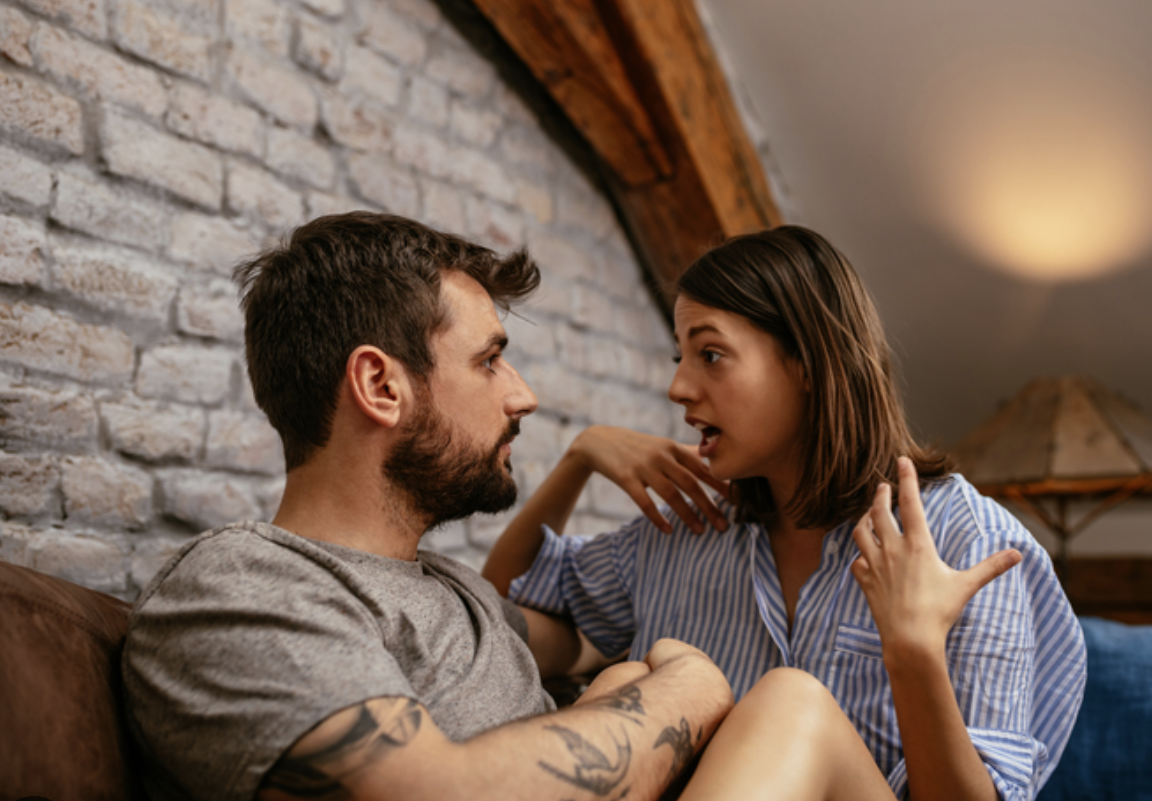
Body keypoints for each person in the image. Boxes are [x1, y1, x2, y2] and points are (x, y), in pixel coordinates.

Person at [123, 213, 888, 801]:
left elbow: (559, 629)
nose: (523, 394)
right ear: (381, 386)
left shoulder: (452, 592)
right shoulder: (243, 584)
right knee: (770, 698)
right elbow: (425, 793)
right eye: (489, 360)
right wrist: (691, 686)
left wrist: (631, 683)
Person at [484, 226, 1088, 801]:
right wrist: (580, 458)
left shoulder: (964, 540)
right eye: (680, 359)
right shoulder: (688, 529)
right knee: (623, 684)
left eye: (711, 355)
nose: (680, 388)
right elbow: (494, 631)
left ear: (807, 364)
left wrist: (913, 651)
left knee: (791, 703)